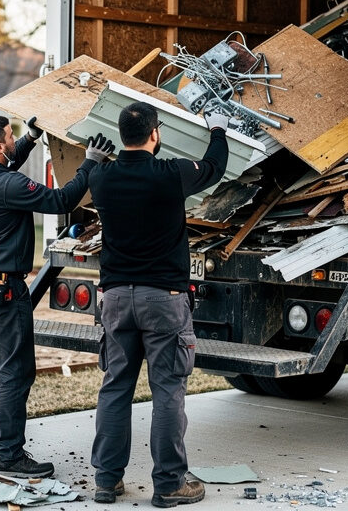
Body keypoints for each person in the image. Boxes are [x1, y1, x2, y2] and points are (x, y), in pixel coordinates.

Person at [0, 115, 114, 479]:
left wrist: (29, 138)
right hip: (2, 288)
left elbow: (7, 165)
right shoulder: (9, 185)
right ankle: (9, 454)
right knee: (15, 371)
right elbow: (63, 199)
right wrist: (90, 161)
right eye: (11, 136)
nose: (13, 140)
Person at [88, 102, 229, 507]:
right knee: (167, 389)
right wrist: (216, 129)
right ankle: (169, 484)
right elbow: (214, 167)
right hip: (163, 299)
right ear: (155, 133)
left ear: (121, 136)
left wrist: (90, 161)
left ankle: (106, 481)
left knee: (115, 387)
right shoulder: (171, 175)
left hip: (115, 298)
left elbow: (91, 174)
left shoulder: (101, 178)